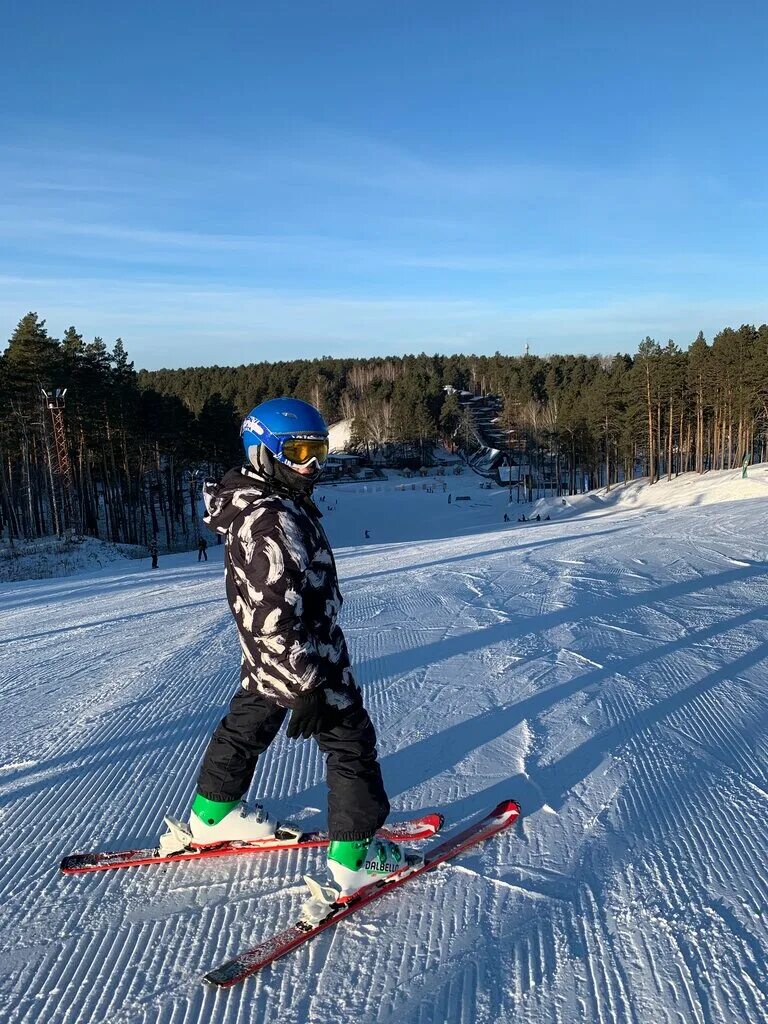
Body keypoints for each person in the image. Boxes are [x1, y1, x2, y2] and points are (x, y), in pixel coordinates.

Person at [188, 397, 420, 897]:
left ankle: (214, 813)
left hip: (271, 655)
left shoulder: (259, 500)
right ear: (263, 453)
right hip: (304, 655)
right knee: (349, 741)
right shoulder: (273, 519)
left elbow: (264, 613)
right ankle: (356, 856)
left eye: (319, 449)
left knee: (251, 717)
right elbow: (274, 612)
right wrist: (309, 681)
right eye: (299, 451)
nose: (312, 463)